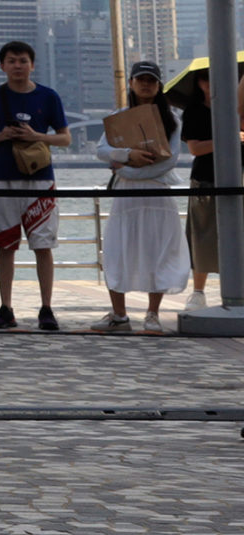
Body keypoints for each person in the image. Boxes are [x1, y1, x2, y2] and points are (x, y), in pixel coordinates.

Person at [0, 40, 69, 330]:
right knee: (5, 244)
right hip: (1, 177)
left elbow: (65, 138)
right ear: (2, 65)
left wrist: (36, 136)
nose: (17, 66)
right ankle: (6, 307)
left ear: (32, 64)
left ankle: (47, 308)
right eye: (11, 61)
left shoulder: (48, 96)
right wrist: (2, 136)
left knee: (43, 245)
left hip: (40, 178)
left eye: (22, 61)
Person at [94, 61, 188, 334]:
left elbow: (169, 162)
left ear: (159, 86)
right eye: (141, 79)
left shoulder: (172, 119)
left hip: (157, 193)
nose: (146, 85)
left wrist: (127, 170)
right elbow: (101, 150)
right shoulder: (119, 117)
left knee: (159, 251)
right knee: (116, 250)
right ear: (132, 83)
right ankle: (119, 315)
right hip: (126, 196)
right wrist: (128, 155)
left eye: (151, 80)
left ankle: (153, 314)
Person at [176, 59, 240, 312]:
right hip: (205, 178)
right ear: (198, 83)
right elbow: (195, 148)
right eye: (205, 78)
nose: (211, 83)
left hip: (238, 177)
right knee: (202, 235)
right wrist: (228, 138)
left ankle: (237, 288)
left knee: (238, 237)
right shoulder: (193, 111)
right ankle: (198, 292)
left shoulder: (237, 108)